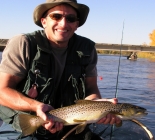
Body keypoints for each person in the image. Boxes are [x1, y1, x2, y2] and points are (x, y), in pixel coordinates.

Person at [0, 0, 121, 139]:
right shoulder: (23, 43)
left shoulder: (87, 48)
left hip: (69, 125)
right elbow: (2, 91)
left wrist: (97, 105)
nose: (63, 24)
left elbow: (91, 89)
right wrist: (36, 107)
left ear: (76, 25)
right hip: (22, 125)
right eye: (56, 17)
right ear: (44, 21)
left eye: (70, 18)